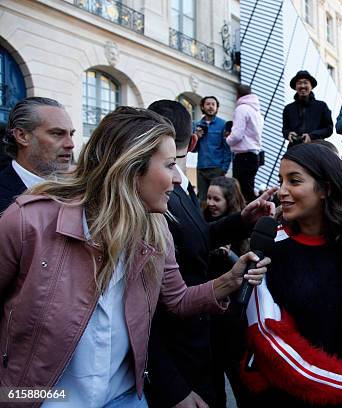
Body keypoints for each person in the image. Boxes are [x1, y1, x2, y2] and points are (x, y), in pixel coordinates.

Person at [0, 106, 270, 407]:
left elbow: (177, 300)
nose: (178, 180)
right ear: (132, 166)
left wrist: (229, 280)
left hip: (125, 398)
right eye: (169, 165)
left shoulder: (157, 229)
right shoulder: (27, 222)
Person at [144, 101, 275, 408]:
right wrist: (172, 386)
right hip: (178, 353)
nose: (175, 178)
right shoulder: (147, 203)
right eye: (167, 167)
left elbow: (197, 238)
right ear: (193, 142)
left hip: (202, 341)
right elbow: (143, 313)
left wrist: (242, 220)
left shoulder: (177, 188)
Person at [241, 143, 342, 408]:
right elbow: (271, 343)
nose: (282, 192)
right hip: (286, 398)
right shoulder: (269, 248)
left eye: (294, 181)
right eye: (281, 181)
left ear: (326, 188)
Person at [203, 176, 252, 408]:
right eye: (208, 197)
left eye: (217, 199)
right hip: (210, 320)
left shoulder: (243, 232)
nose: (211, 203)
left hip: (234, 323)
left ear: (229, 201)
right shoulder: (202, 226)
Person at [0, 97, 75, 213]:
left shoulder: (77, 193)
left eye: (71, 134)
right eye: (57, 134)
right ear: (22, 136)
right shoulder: (4, 198)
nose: (70, 144)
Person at [226, 84, 264, 203]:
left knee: (241, 191)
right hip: (254, 155)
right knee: (248, 188)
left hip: (243, 156)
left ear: (237, 94)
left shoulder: (242, 109)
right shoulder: (256, 111)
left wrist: (228, 139)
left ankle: (247, 217)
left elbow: (237, 134)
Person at [194, 96, 232, 200]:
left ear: (217, 108)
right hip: (201, 168)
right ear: (202, 107)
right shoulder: (197, 125)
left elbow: (227, 148)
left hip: (217, 168)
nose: (210, 107)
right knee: (202, 199)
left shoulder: (223, 124)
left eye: (213, 104)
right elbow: (193, 149)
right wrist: (196, 137)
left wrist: (224, 169)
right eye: (208, 104)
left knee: (217, 198)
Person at [282, 70, 333, 147]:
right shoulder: (288, 109)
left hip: (317, 147)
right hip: (294, 149)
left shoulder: (322, 106)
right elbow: (285, 129)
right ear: (295, 87)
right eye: (299, 83)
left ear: (311, 86)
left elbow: (329, 129)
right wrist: (288, 134)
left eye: (305, 82)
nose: (302, 86)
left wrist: (311, 136)